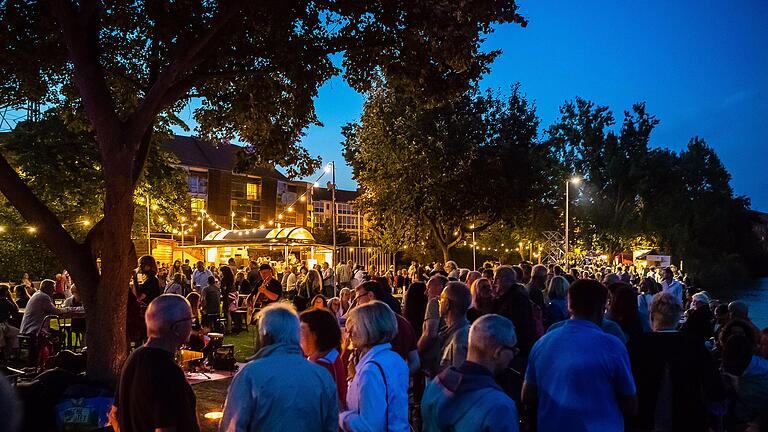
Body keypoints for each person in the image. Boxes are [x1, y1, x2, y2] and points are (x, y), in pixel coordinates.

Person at [522, 279, 637, 432]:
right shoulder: (612, 346)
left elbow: (527, 396)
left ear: (569, 305)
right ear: (603, 307)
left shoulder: (543, 343)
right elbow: (630, 404)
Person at [220, 303, 338, 431]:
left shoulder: (251, 374)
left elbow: (232, 426)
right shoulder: (322, 376)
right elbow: (331, 426)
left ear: (266, 335)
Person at [628, 292, 724, 432]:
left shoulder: (637, 344)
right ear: (678, 316)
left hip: (644, 418)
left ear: (652, 315)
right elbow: (715, 388)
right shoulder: (694, 345)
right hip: (688, 418)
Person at [111, 294, 199, 432]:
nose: (192, 324)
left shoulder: (133, 358)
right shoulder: (167, 371)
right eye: (190, 319)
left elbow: (114, 415)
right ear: (176, 328)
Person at [421, 314, 520, 432]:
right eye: (513, 349)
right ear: (498, 352)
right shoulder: (500, 406)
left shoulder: (435, 386)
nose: (514, 355)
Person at [340, 301, 409, 432]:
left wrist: (341, 416)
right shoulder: (395, 359)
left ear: (367, 328)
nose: (349, 333)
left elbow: (369, 426)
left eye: (353, 327)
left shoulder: (370, 370)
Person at [354, 281, 420, 375]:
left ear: (370, 295)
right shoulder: (404, 323)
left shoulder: (370, 326)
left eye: (358, 299)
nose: (357, 304)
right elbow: (415, 361)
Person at [300, 307, 347, 409]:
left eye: (302, 330)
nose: (298, 337)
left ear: (316, 334)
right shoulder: (331, 356)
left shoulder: (322, 367)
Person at [419, 281, 471, 373]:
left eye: (441, 299)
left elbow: (456, 378)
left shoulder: (459, 339)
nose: (438, 301)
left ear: (447, 304)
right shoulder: (450, 332)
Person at [0, 284, 20, 360]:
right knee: (16, 332)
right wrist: (10, 298)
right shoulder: (6, 302)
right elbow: (15, 310)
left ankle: (3, 350)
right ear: (6, 292)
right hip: (3, 325)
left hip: (2, 326)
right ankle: (13, 353)